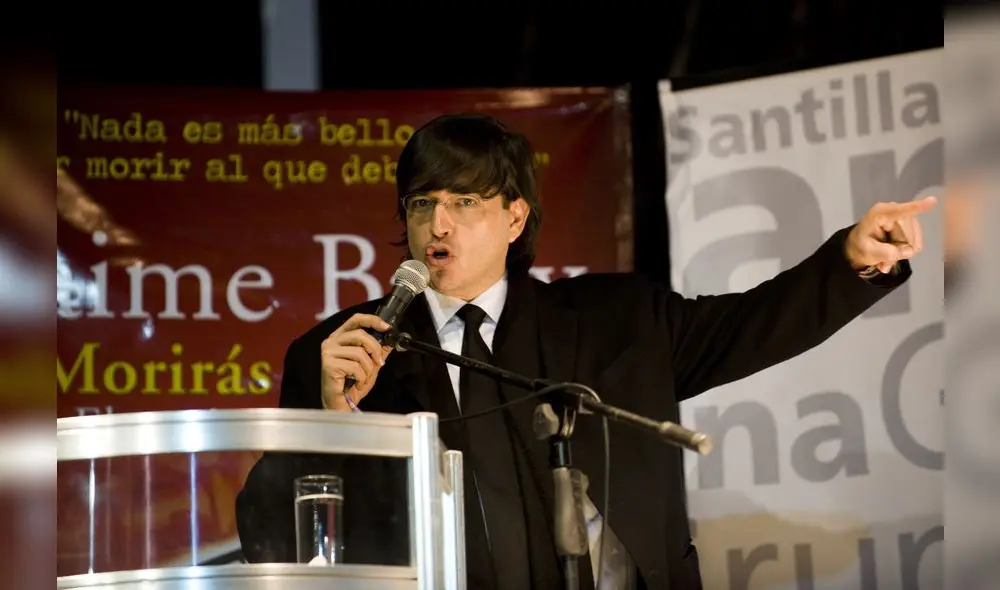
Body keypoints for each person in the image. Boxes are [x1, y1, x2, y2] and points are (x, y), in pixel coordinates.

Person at [235, 113, 935, 589]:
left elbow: (751, 323)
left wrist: (851, 261)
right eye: (421, 204)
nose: (438, 224)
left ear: (514, 216)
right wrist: (332, 425)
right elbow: (269, 536)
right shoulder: (343, 354)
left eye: (463, 202)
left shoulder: (619, 322)